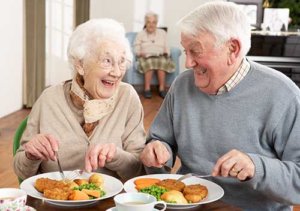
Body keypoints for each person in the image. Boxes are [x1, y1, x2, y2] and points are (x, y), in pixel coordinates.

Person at [140, 2, 300, 210]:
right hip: (188, 205)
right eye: (185, 50)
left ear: (232, 49)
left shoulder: (283, 95)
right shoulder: (182, 85)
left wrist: (256, 167)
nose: (187, 63)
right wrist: (157, 151)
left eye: (195, 51)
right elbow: (160, 140)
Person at [14, 18, 146, 181]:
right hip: (57, 201)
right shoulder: (49, 99)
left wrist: (116, 157)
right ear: (80, 65)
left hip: (112, 204)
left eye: (121, 62)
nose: (117, 72)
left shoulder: (127, 97)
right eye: (107, 61)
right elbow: (22, 171)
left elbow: (140, 171)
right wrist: (30, 155)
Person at [134, 12, 175, 99]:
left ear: (156, 23)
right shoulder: (141, 34)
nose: (151, 25)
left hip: (160, 55)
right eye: (149, 22)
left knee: (162, 62)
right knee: (150, 62)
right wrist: (140, 53)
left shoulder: (162, 33)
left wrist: (166, 52)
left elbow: (167, 46)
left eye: (153, 22)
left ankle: (161, 89)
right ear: (145, 23)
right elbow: (136, 47)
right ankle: (147, 89)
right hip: (146, 57)